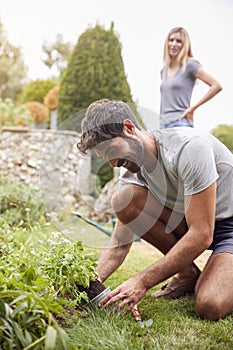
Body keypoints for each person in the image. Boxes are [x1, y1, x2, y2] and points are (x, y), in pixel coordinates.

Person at [77, 99, 233, 321]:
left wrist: (142, 281)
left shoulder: (189, 149)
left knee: (210, 305)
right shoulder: (131, 173)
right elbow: (119, 246)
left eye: (112, 150)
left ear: (129, 128)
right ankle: (187, 274)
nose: (113, 163)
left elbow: (202, 234)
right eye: (106, 157)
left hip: (227, 224)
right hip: (193, 219)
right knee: (123, 200)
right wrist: (85, 285)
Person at [159, 27, 222, 129]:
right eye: (171, 40)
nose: (174, 44)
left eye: (179, 41)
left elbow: (216, 86)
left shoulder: (190, 66)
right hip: (163, 125)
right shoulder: (164, 71)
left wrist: (192, 109)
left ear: (184, 45)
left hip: (180, 122)